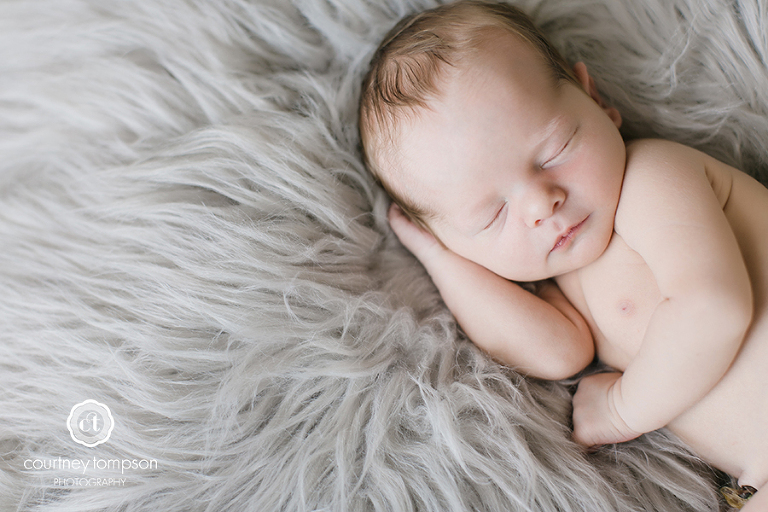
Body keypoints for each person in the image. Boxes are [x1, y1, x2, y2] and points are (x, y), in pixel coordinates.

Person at [358, 1, 768, 509]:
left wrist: (621, 411)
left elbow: (714, 308)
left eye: (554, 150)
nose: (539, 204)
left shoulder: (653, 179)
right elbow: (553, 352)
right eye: (490, 216)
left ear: (594, 98)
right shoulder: (563, 280)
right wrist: (440, 260)